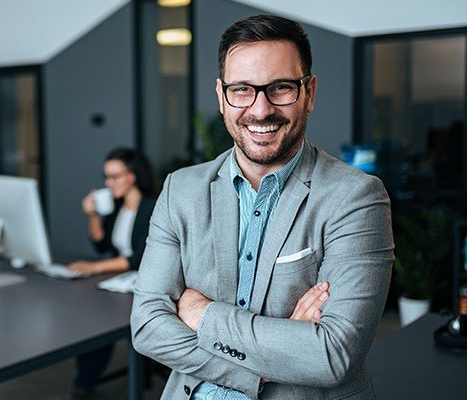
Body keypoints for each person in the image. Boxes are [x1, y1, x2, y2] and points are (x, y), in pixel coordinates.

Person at [131, 14, 394, 400]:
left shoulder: (355, 197)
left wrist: (202, 314)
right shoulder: (180, 190)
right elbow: (147, 328)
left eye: (281, 87)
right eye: (242, 90)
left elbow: (332, 354)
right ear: (221, 96)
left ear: (310, 93)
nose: (260, 109)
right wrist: (267, 365)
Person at [64, 147, 158, 400]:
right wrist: (92, 215)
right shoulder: (115, 208)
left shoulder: (152, 207)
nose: (108, 183)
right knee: (92, 320)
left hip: (145, 281)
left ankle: (87, 382)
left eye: (114, 177)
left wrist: (94, 267)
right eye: (107, 177)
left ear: (132, 176)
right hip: (121, 282)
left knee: (103, 322)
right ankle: (84, 382)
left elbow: (138, 257)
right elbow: (101, 244)